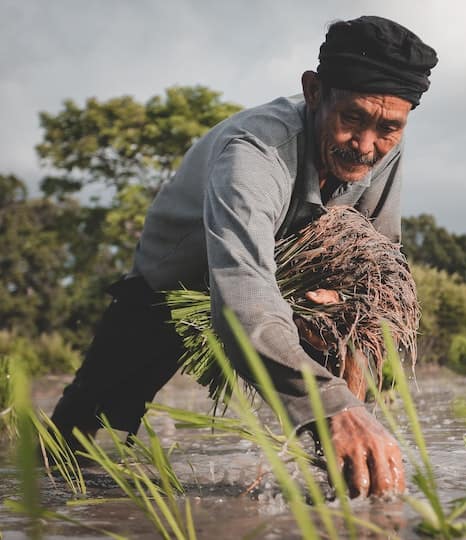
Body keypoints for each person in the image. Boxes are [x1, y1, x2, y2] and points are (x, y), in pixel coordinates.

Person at [50, 15, 437, 498]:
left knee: (352, 348)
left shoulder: (384, 149)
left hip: (289, 284)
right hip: (175, 285)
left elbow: (380, 260)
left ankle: (342, 490)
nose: (365, 146)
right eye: (352, 118)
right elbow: (245, 300)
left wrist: (344, 308)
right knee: (86, 430)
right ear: (314, 92)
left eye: (388, 127)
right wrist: (330, 405)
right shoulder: (255, 153)